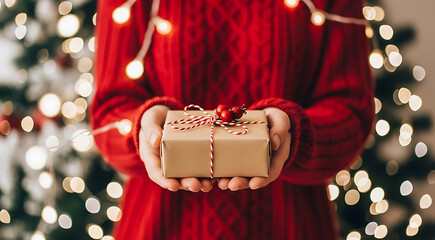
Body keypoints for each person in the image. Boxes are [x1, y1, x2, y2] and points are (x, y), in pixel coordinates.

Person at [90, 0, 374, 239]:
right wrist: (141, 130)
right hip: (159, 226)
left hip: (290, 225)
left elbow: (351, 111)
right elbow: (108, 111)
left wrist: (297, 135)